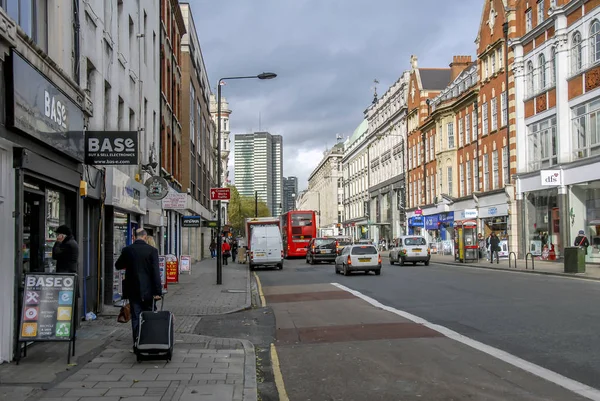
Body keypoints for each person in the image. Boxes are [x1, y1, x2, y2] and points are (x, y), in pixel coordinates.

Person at [115, 228, 162, 348]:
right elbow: (156, 273)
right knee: (149, 315)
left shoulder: (127, 250)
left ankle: (137, 342)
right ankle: (148, 340)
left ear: (134, 237)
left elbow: (118, 265)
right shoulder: (152, 251)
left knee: (136, 316)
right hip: (149, 290)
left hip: (133, 290)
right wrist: (158, 291)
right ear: (145, 237)